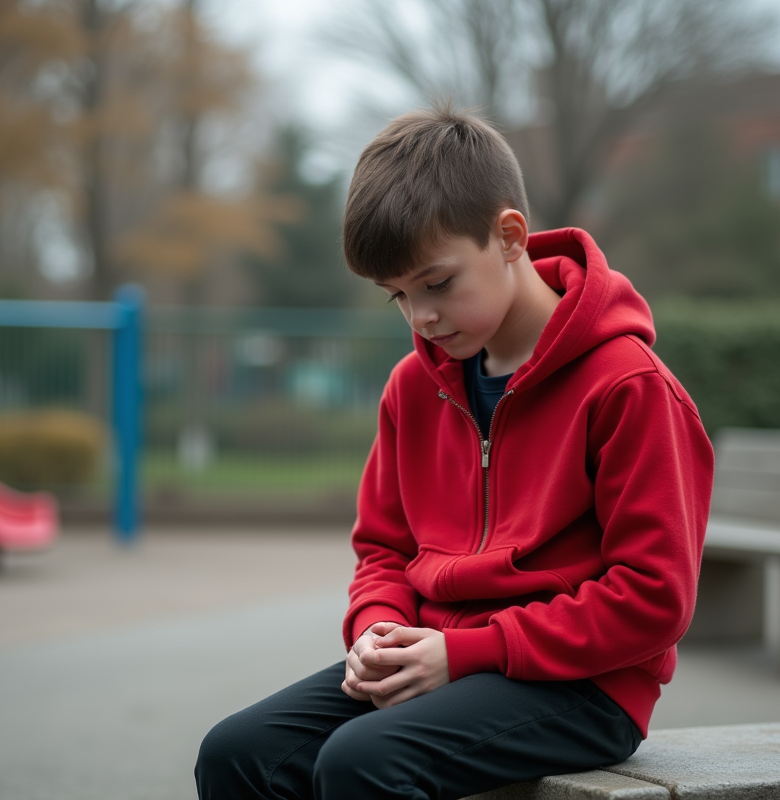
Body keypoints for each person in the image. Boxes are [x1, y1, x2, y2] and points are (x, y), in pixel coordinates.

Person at [195, 105, 715, 800]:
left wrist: (471, 650)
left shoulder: (627, 385)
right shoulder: (414, 387)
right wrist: (378, 628)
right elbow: (384, 549)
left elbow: (654, 598)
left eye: (437, 284)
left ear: (509, 237)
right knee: (237, 753)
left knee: (363, 761)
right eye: (398, 296)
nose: (422, 317)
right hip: (435, 653)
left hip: (585, 684)